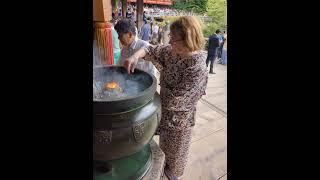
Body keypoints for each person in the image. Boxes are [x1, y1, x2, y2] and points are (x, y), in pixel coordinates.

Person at [123, 16, 208, 180]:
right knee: (162, 149)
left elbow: (177, 101)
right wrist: (134, 57)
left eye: (173, 38)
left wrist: (140, 95)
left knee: (175, 157)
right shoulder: (173, 52)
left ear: (187, 40)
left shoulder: (197, 67)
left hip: (180, 121)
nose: (169, 42)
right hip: (164, 112)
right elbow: (150, 49)